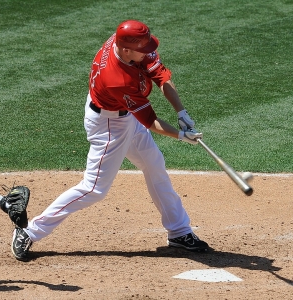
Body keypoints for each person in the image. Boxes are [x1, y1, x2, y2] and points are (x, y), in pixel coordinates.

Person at [11, 20, 209, 262]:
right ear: (126, 50)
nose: (148, 51)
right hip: (109, 126)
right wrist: (180, 135)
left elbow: (159, 75)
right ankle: (29, 231)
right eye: (143, 48)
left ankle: (179, 231)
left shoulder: (126, 44)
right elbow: (149, 120)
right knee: (93, 189)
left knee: (153, 164)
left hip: (124, 114)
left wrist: (181, 111)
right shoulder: (117, 78)